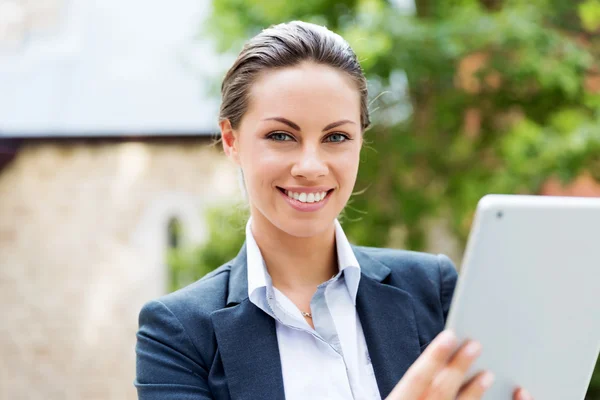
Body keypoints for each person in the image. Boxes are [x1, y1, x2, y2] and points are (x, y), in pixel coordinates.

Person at [135, 21, 533, 400]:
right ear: (231, 140)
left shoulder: (432, 289)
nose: (311, 166)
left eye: (336, 136)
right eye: (281, 136)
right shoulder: (177, 333)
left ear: (360, 142)